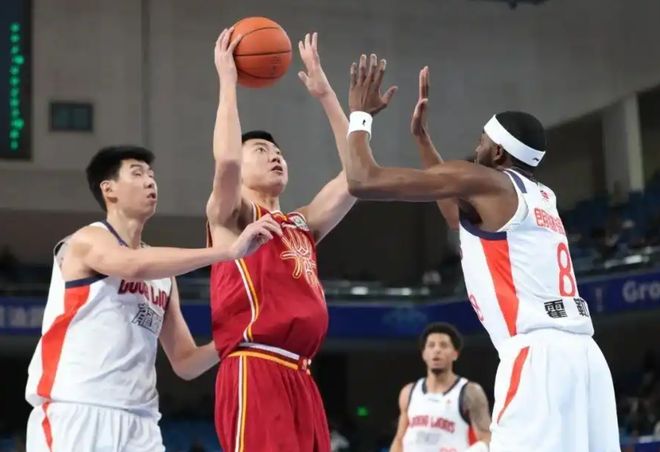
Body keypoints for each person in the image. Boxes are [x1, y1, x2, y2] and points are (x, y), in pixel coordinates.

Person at [341, 55, 620, 452]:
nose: (475, 150)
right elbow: (456, 213)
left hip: (536, 356)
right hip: (586, 359)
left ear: (499, 154)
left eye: (481, 142)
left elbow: (362, 180)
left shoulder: (487, 180)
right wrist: (423, 141)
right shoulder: (541, 195)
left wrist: (359, 116)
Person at [25, 146, 280, 452]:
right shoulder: (86, 240)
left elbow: (186, 362)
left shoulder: (163, 276)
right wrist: (227, 251)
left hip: (142, 421)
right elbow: (132, 266)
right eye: (137, 174)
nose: (150, 181)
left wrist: (242, 333)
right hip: (78, 410)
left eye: (151, 175)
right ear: (109, 189)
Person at [208, 30, 356, 451]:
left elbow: (358, 177)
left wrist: (327, 96)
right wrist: (228, 82)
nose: (275, 155)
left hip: (302, 374)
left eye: (278, 152)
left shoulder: (301, 223)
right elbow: (226, 161)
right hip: (254, 365)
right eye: (260, 149)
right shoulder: (232, 215)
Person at [391, 323, 491, 452]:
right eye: (431, 345)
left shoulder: (470, 392)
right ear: (424, 354)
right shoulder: (409, 392)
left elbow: (488, 438)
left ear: (455, 354)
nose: (437, 350)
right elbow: (399, 439)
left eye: (443, 345)